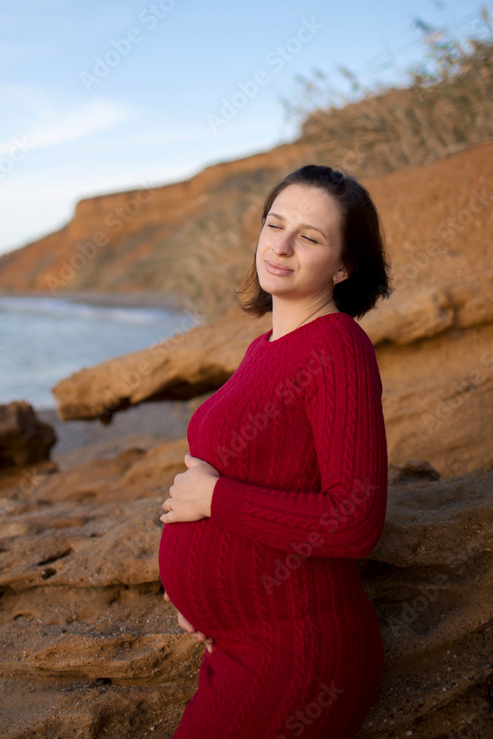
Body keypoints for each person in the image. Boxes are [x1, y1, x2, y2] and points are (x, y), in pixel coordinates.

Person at [157, 164, 392, 739]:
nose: (281, 246)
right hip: (240, 640)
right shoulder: (263, 347)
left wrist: (214, 498)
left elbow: (355, 521)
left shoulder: (338, 348)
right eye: (274, 225)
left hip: (296, 653)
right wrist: (203, 598)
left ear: (343, 265)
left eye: (309, 237)